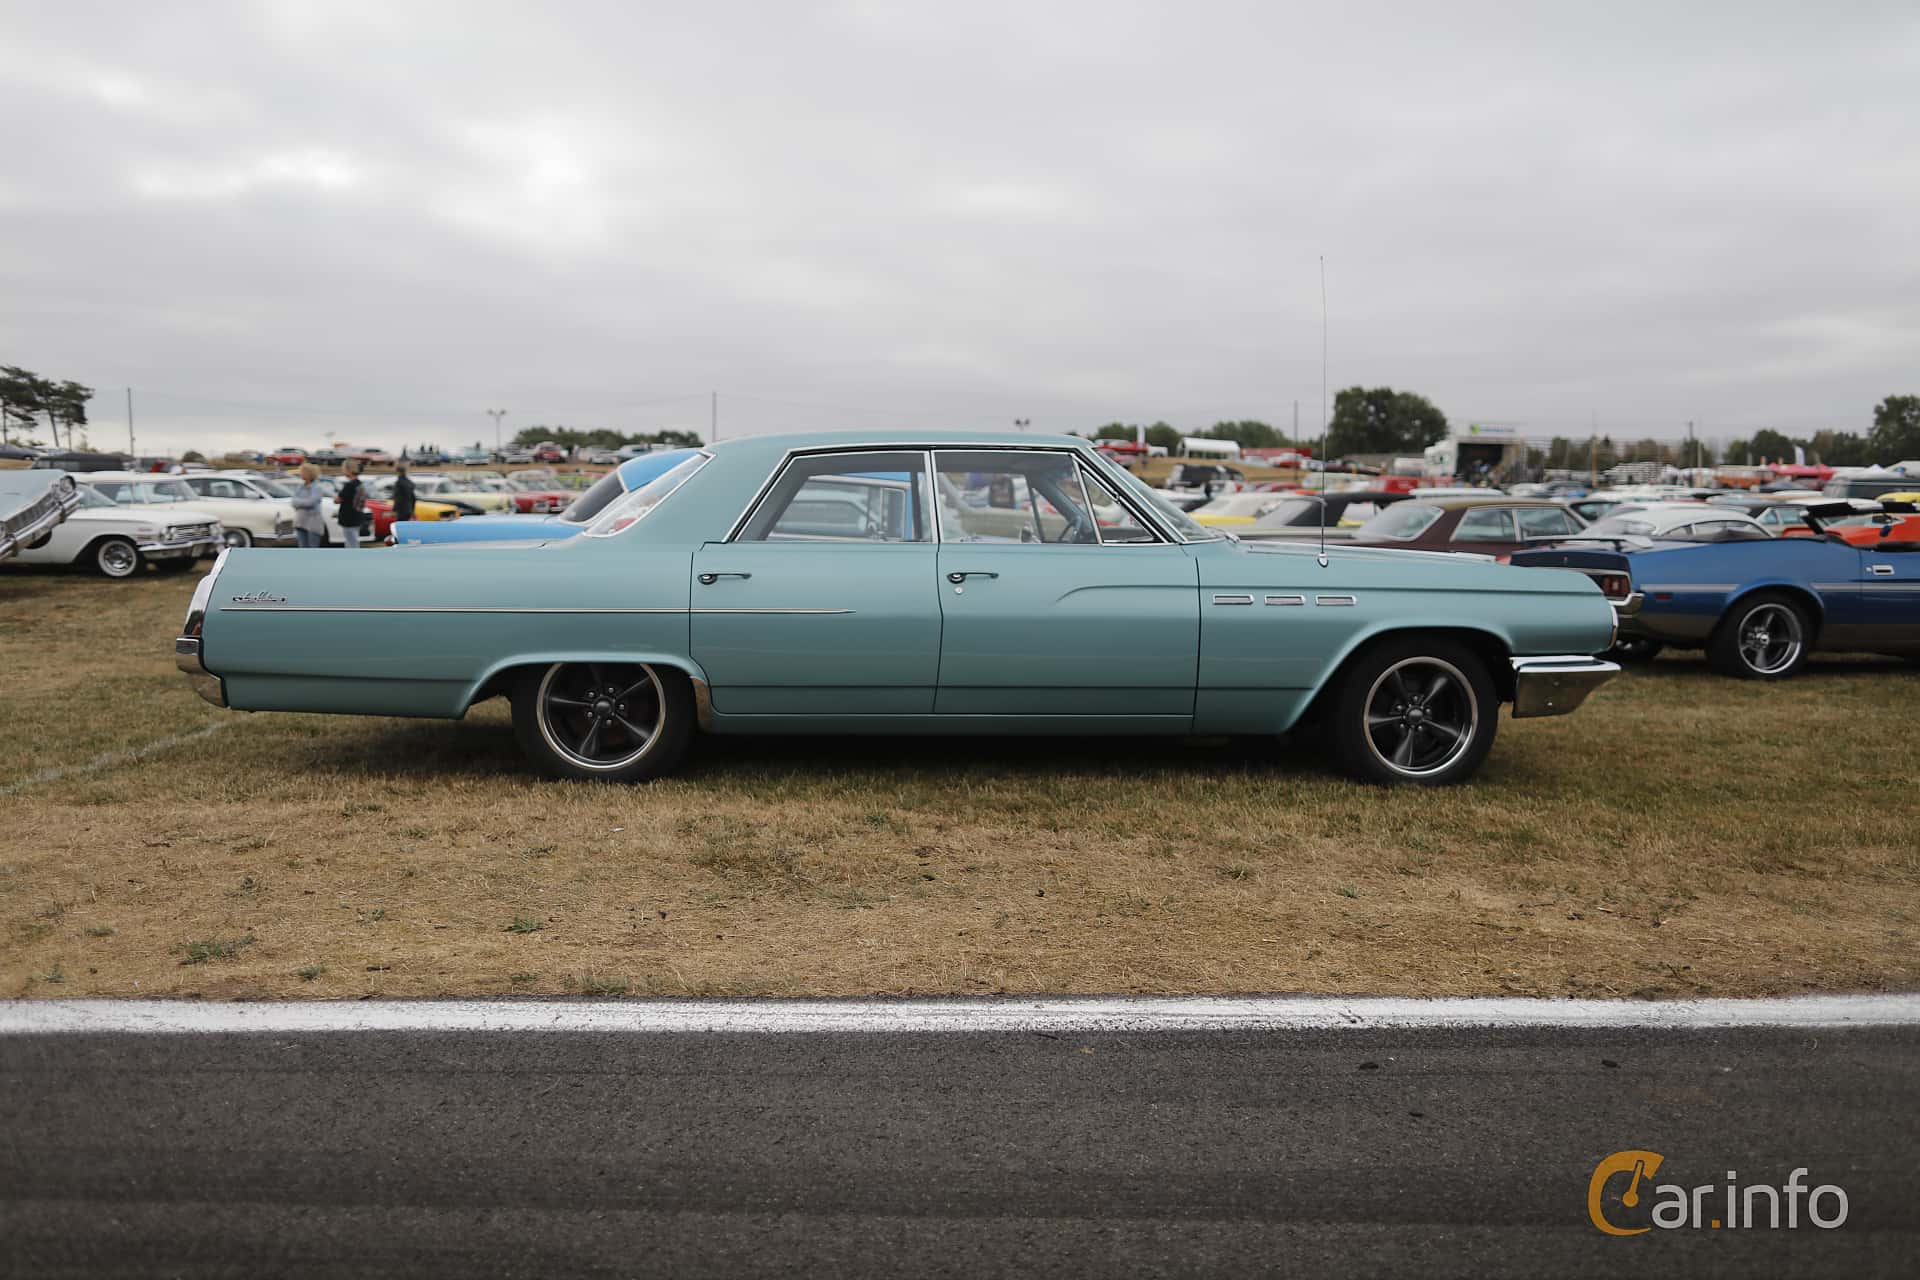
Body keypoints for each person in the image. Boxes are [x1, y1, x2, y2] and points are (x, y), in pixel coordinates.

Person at [290, 464, 327, 548]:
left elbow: (312, 502)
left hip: (313, 522)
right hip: (300, 521)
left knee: (313, 547)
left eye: (302, 472)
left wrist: (299, 502)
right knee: (302, 547)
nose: (301, 474)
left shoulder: (317, 488)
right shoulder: (300, 487)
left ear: (309, 474)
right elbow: (293, 501)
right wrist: (303, 502)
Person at [335, 460, 367, 549]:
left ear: (348, 470)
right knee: (354, 540)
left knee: (351, 542)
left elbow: (337, 500)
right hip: (357, 516)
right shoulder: (359, 484)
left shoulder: (349, 485)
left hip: (348, 518)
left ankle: (353, 560)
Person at [391, 459, 416, 523]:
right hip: (408, 510)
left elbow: (398, 498)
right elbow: (413, 498)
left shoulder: (399, 483)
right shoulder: (409, 482)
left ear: (397, 470)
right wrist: (412, 510)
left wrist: (394, 510)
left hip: (401, 511)